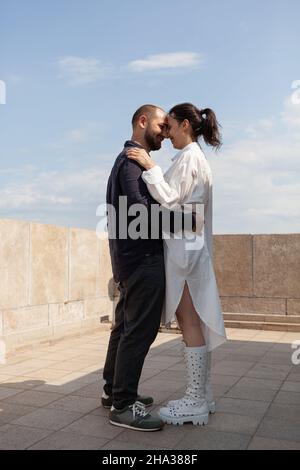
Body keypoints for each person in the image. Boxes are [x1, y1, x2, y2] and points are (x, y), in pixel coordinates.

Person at [126, 102, 227, 426]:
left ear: (185, 125)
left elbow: (170, 199)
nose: (165, 134)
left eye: (169, 126)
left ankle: (195, 400)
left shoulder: (188, 159)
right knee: (194, 321)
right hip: (192, 251)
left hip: (186, 254)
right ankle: (204, 395)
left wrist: (149, 166)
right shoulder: (195, 158)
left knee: (190, 324)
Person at [102, 104, 167, 431]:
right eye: (160, 125)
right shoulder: (132, 162)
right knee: (139, 330)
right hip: (142, 258)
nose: (165, 133)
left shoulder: (126, 159)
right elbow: (142, 210)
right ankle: (123, 405)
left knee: (124, 327)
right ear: (142, 121)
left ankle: (112, 390)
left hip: (129, 259)